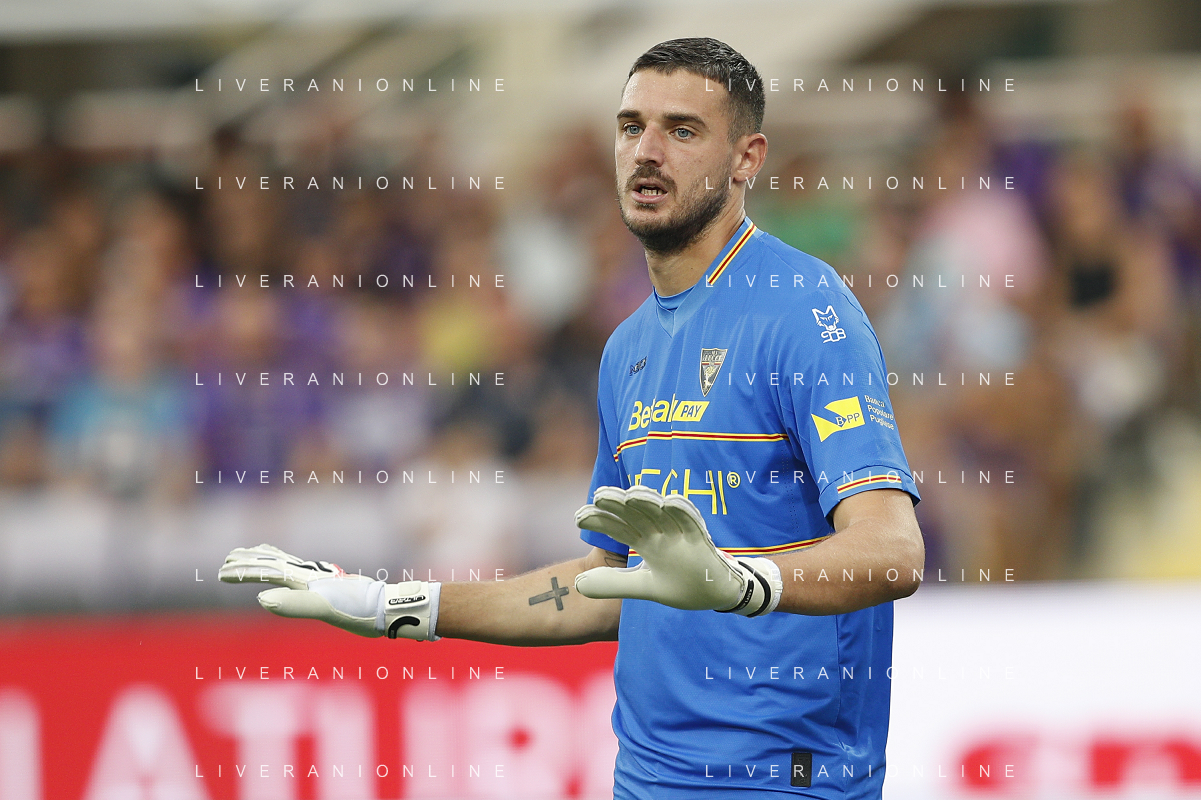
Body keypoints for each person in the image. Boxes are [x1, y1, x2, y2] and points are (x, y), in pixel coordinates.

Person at [220, 37, 925, 799]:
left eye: (682, 130)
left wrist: (735, 583)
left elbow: (892, 552)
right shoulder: (627, 348)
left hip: (782, 780)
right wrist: (394, 605)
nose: (646, 151)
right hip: (645, 779)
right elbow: (606, 586)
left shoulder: (804, 310)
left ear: (745, 159)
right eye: (631, 127)